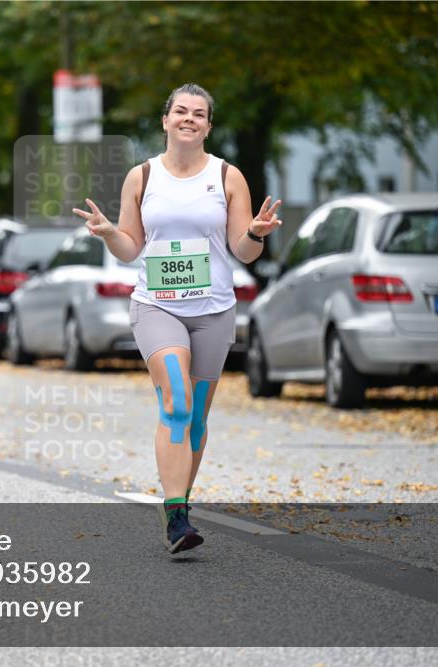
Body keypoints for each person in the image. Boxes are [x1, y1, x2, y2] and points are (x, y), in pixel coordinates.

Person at [73, 83, 282, 553]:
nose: (190, 119)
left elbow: (242, 252)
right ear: (165, 120)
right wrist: (109, 233)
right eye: (181, 111)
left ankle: (181, 502)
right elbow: (131, 248)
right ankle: (176, 517)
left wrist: (256, 232)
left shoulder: (228, 176)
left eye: (200, 114)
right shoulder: (141, 177)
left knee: (196, 420)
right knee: (177, 398)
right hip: (157, 307)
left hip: (213, 311)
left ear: (208, 126)